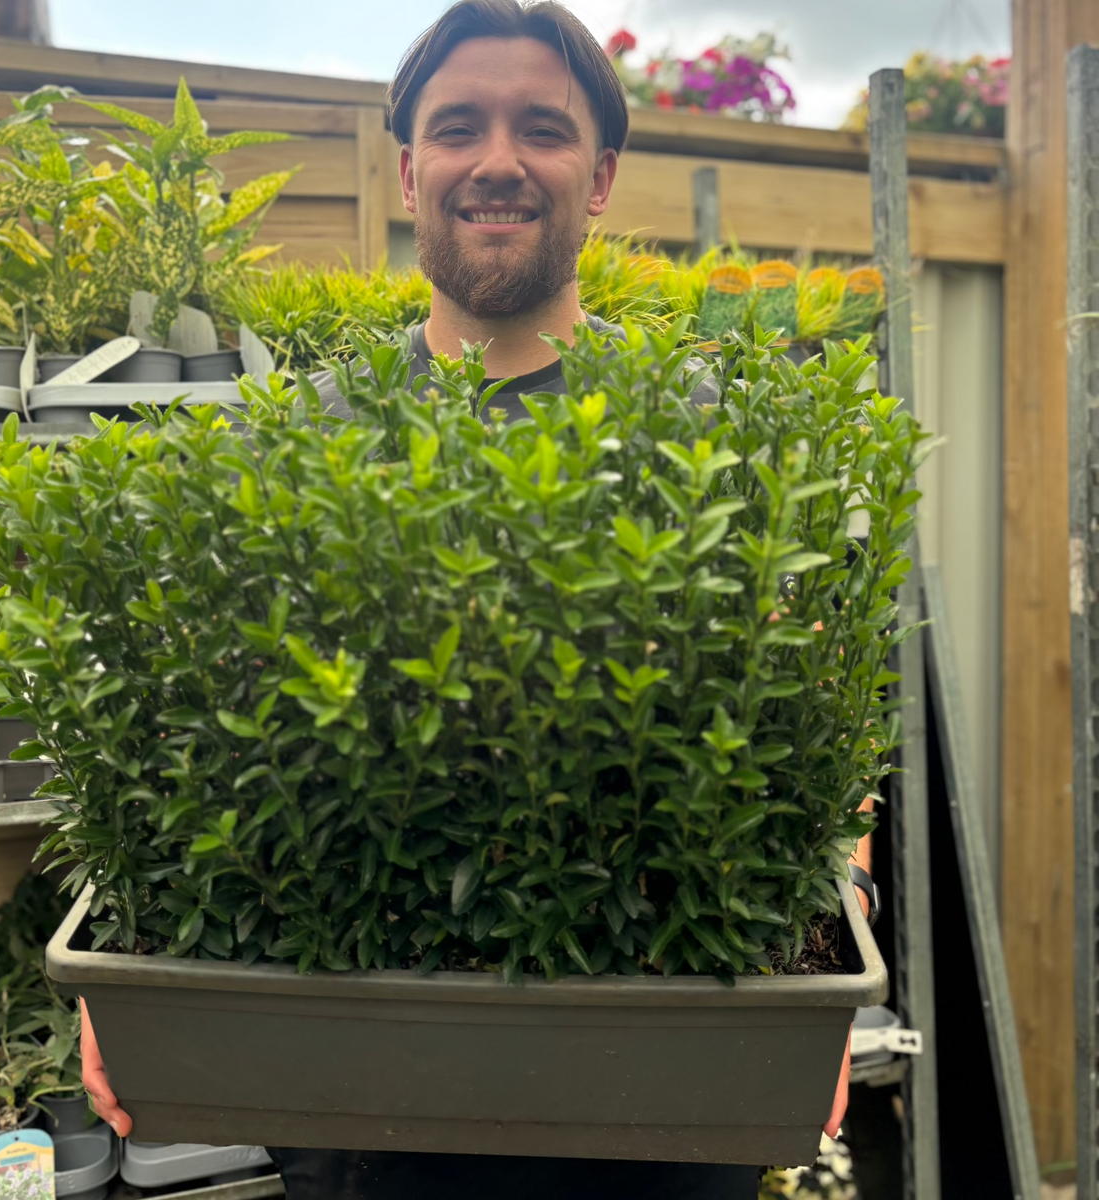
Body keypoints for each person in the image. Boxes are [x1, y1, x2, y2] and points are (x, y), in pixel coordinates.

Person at [81, 2, 876, 1195]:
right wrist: (125, 963)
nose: (498, 160)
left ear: (599, 178)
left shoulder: (713, 434)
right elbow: (203, 736)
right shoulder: (299, 442)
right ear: (410, 168)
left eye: (542, 129)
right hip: (363, 1116)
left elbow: (810, 735)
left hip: (654, 1111)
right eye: (459, 127)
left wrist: (826, 962)